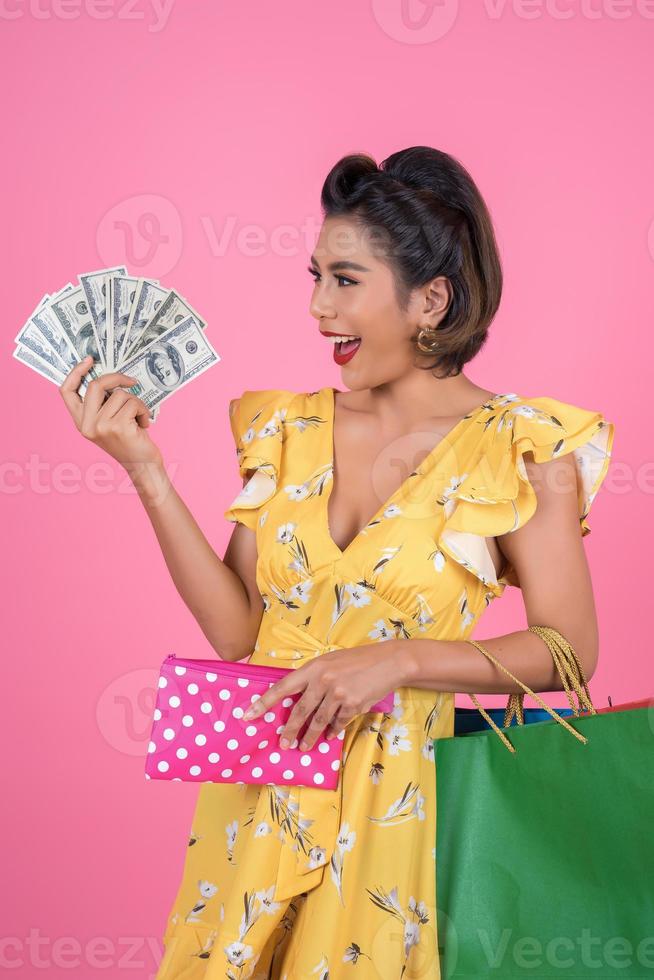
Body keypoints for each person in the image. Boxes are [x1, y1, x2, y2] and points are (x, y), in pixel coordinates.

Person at [59, 146, 614, 979]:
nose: (319, 309)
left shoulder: (523, 448)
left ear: (432, 299)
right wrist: (144, 465)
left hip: (397, 827)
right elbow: (237, 631)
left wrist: (399, 661)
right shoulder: (286, 431)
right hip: (254, 809)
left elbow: (570, 653)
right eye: (314, 276)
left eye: (346, 281)